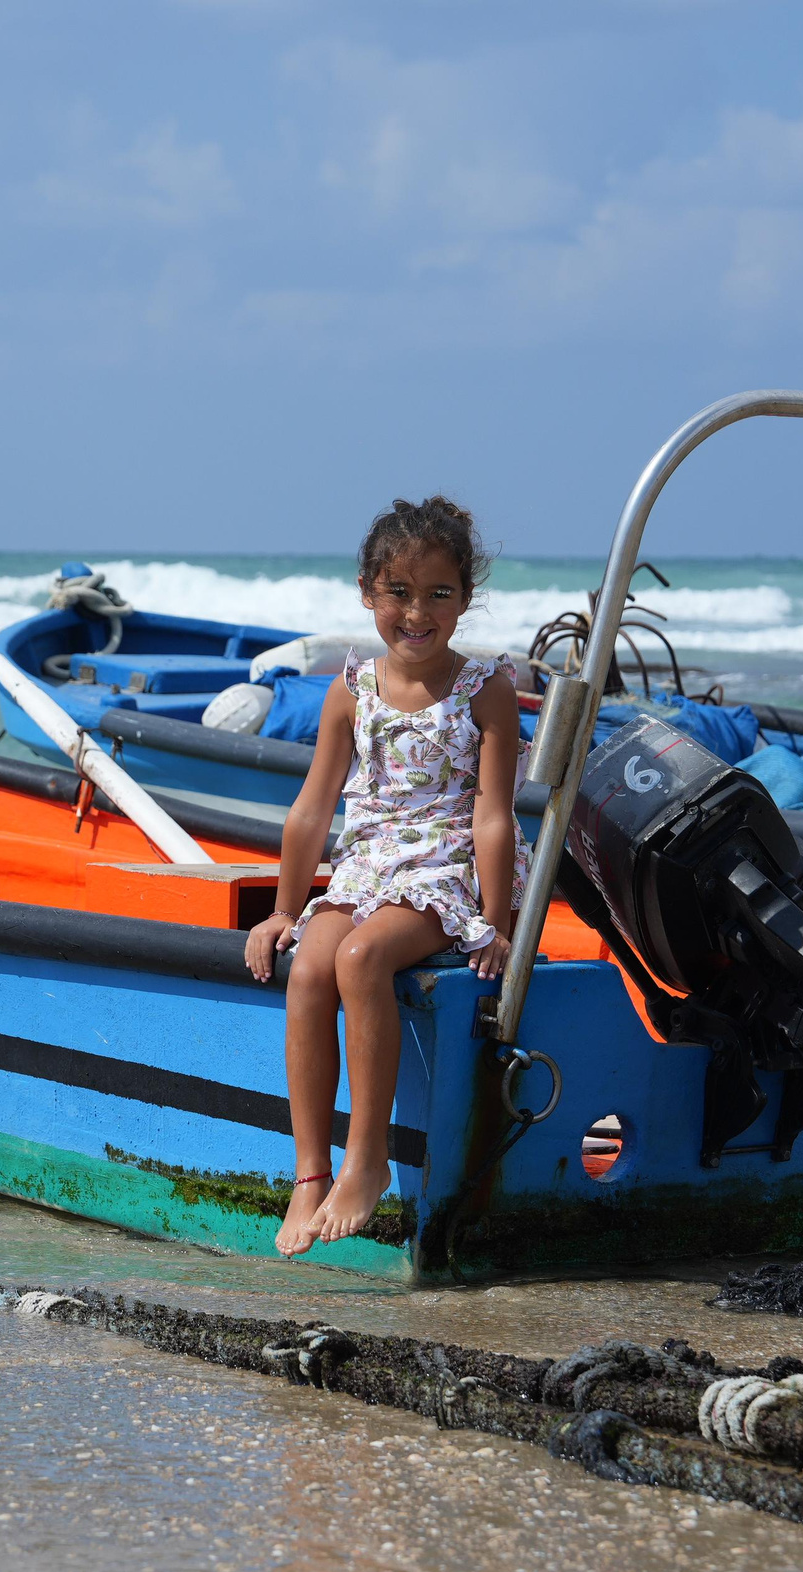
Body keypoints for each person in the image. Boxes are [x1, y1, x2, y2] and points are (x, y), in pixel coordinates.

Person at [242, 497, 524, 1255]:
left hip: (446, 869)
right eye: (398, 592)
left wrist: (495, 921)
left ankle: (365, 1161)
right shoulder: (350, 689)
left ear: (465, 599)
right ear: (368, 592)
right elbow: (312, 809)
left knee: (362, 958)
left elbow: (494, 814)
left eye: (439, 594)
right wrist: (281, 910)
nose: (416, 612)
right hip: (368, 864)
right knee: (309, 967)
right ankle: (309, 1173)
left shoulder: (485, 688)